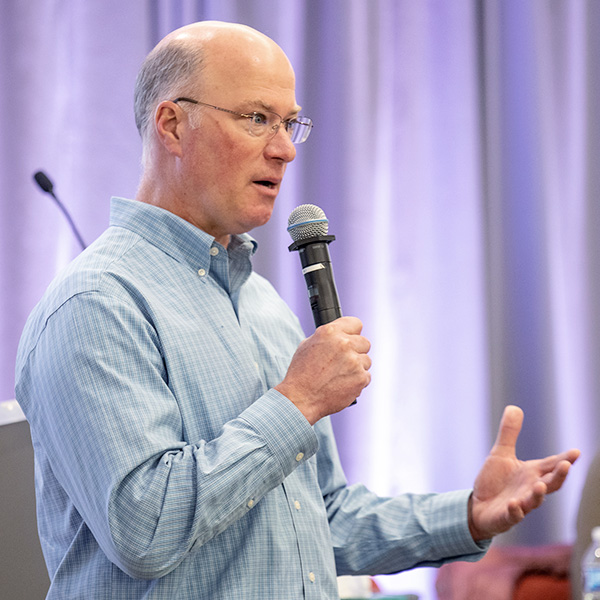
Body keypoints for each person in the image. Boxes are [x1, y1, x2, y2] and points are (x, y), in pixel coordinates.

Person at [15, 21, 580, 600]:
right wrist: (298, 401)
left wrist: (468, 514)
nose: (284, 148)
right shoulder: (96, 303)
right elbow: (146, 531)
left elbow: (319, 517)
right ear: (173, 125)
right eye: (257, 118)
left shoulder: (261, 303)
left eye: (289, 123)